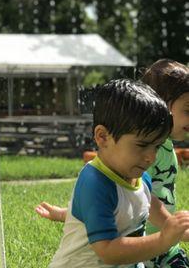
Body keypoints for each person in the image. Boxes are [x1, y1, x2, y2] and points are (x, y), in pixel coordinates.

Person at [37, 59, 189, 267]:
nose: (151, 157)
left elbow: (157, 212)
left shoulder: (140, 177)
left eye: (156, 146)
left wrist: (179, 229)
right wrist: (162, 240)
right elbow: (108, 250)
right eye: (142, 145)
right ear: (102, 137)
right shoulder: (95, 182)